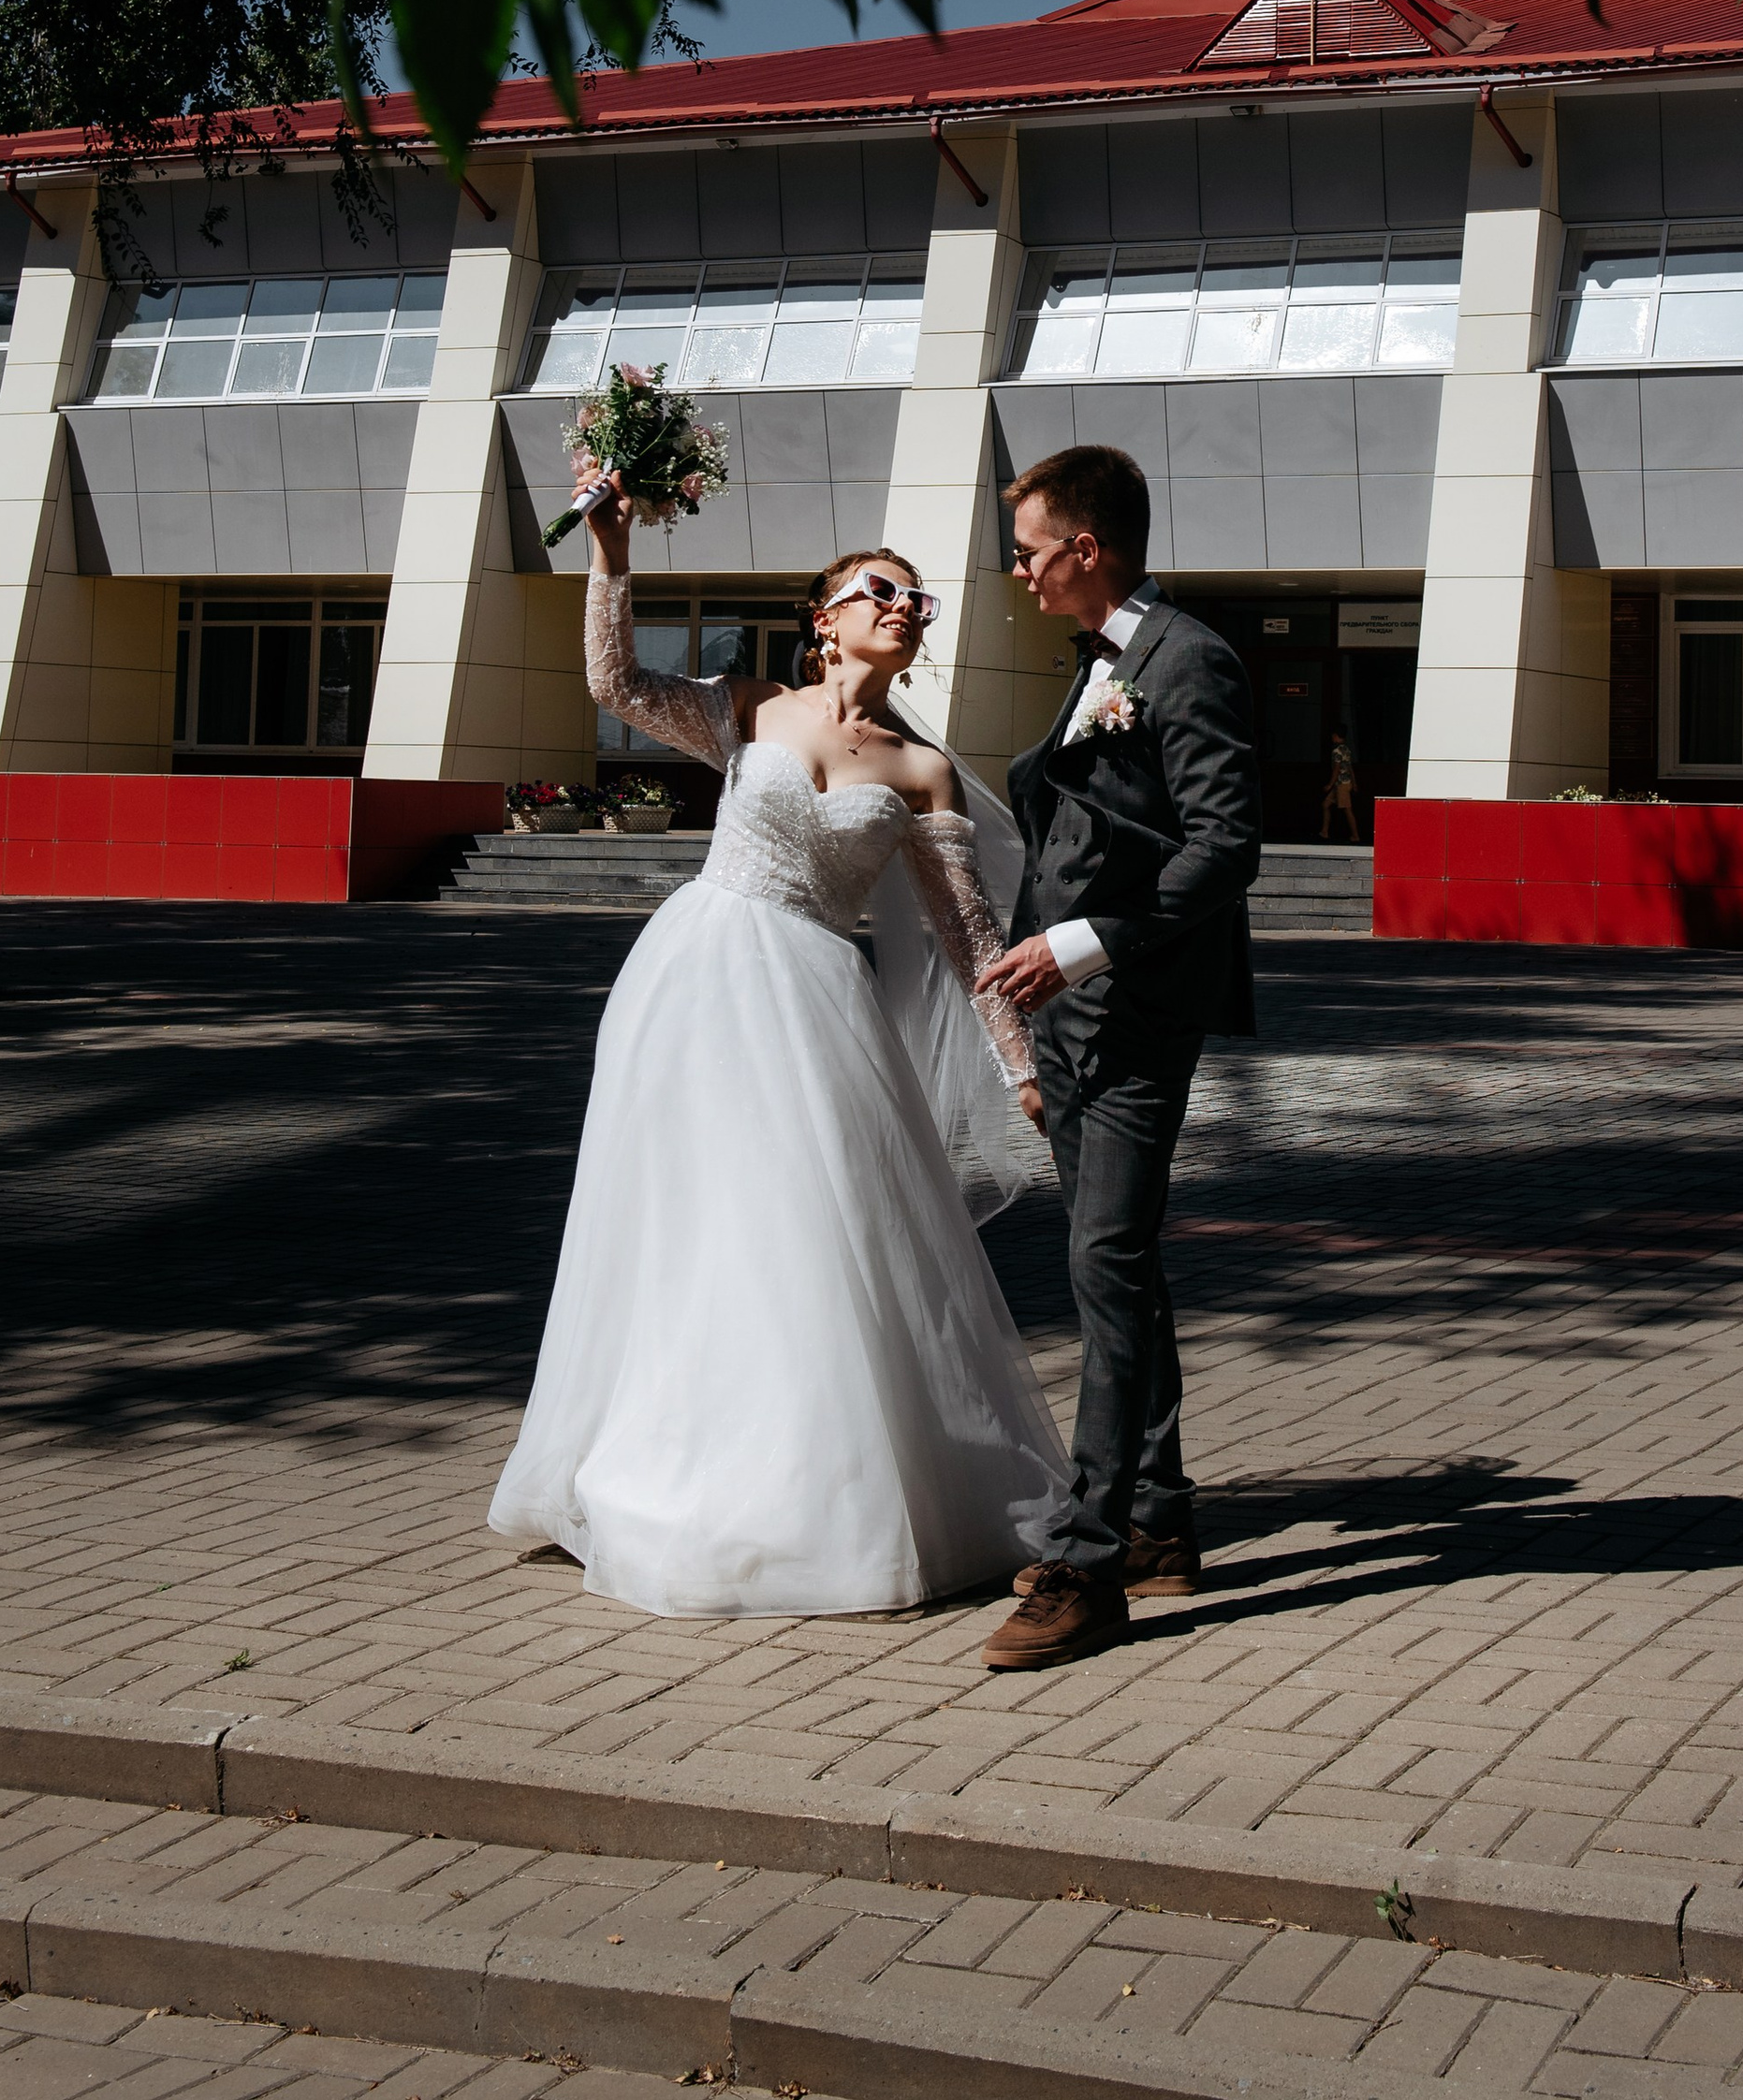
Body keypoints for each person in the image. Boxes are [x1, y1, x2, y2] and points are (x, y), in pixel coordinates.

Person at [489, 485, 1064, 1617]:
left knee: (800, 1228)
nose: (904, 607)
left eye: (919, 598)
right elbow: (615, 686)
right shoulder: (748, 708)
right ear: (824, 617)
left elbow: (967, 937)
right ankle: (651, 1455)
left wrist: (1020, 1068)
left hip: (809, 1007)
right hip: (692, 982)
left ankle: (806, 1485)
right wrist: (609, 553)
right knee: (681, 1224)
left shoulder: (919, 771)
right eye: (880, 590)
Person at [973, 444, 1262, 1671]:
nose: (1022, 572)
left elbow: (1226, 843)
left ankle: (1086, 1561)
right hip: (1080, 1009)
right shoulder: (1103, 658)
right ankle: (1155, 1514)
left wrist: (1083, 943)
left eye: (1032, 549)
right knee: (1119, 1266)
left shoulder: (1184, 655)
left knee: (1105, 1256)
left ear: (1086, 545)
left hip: (1137, 999)